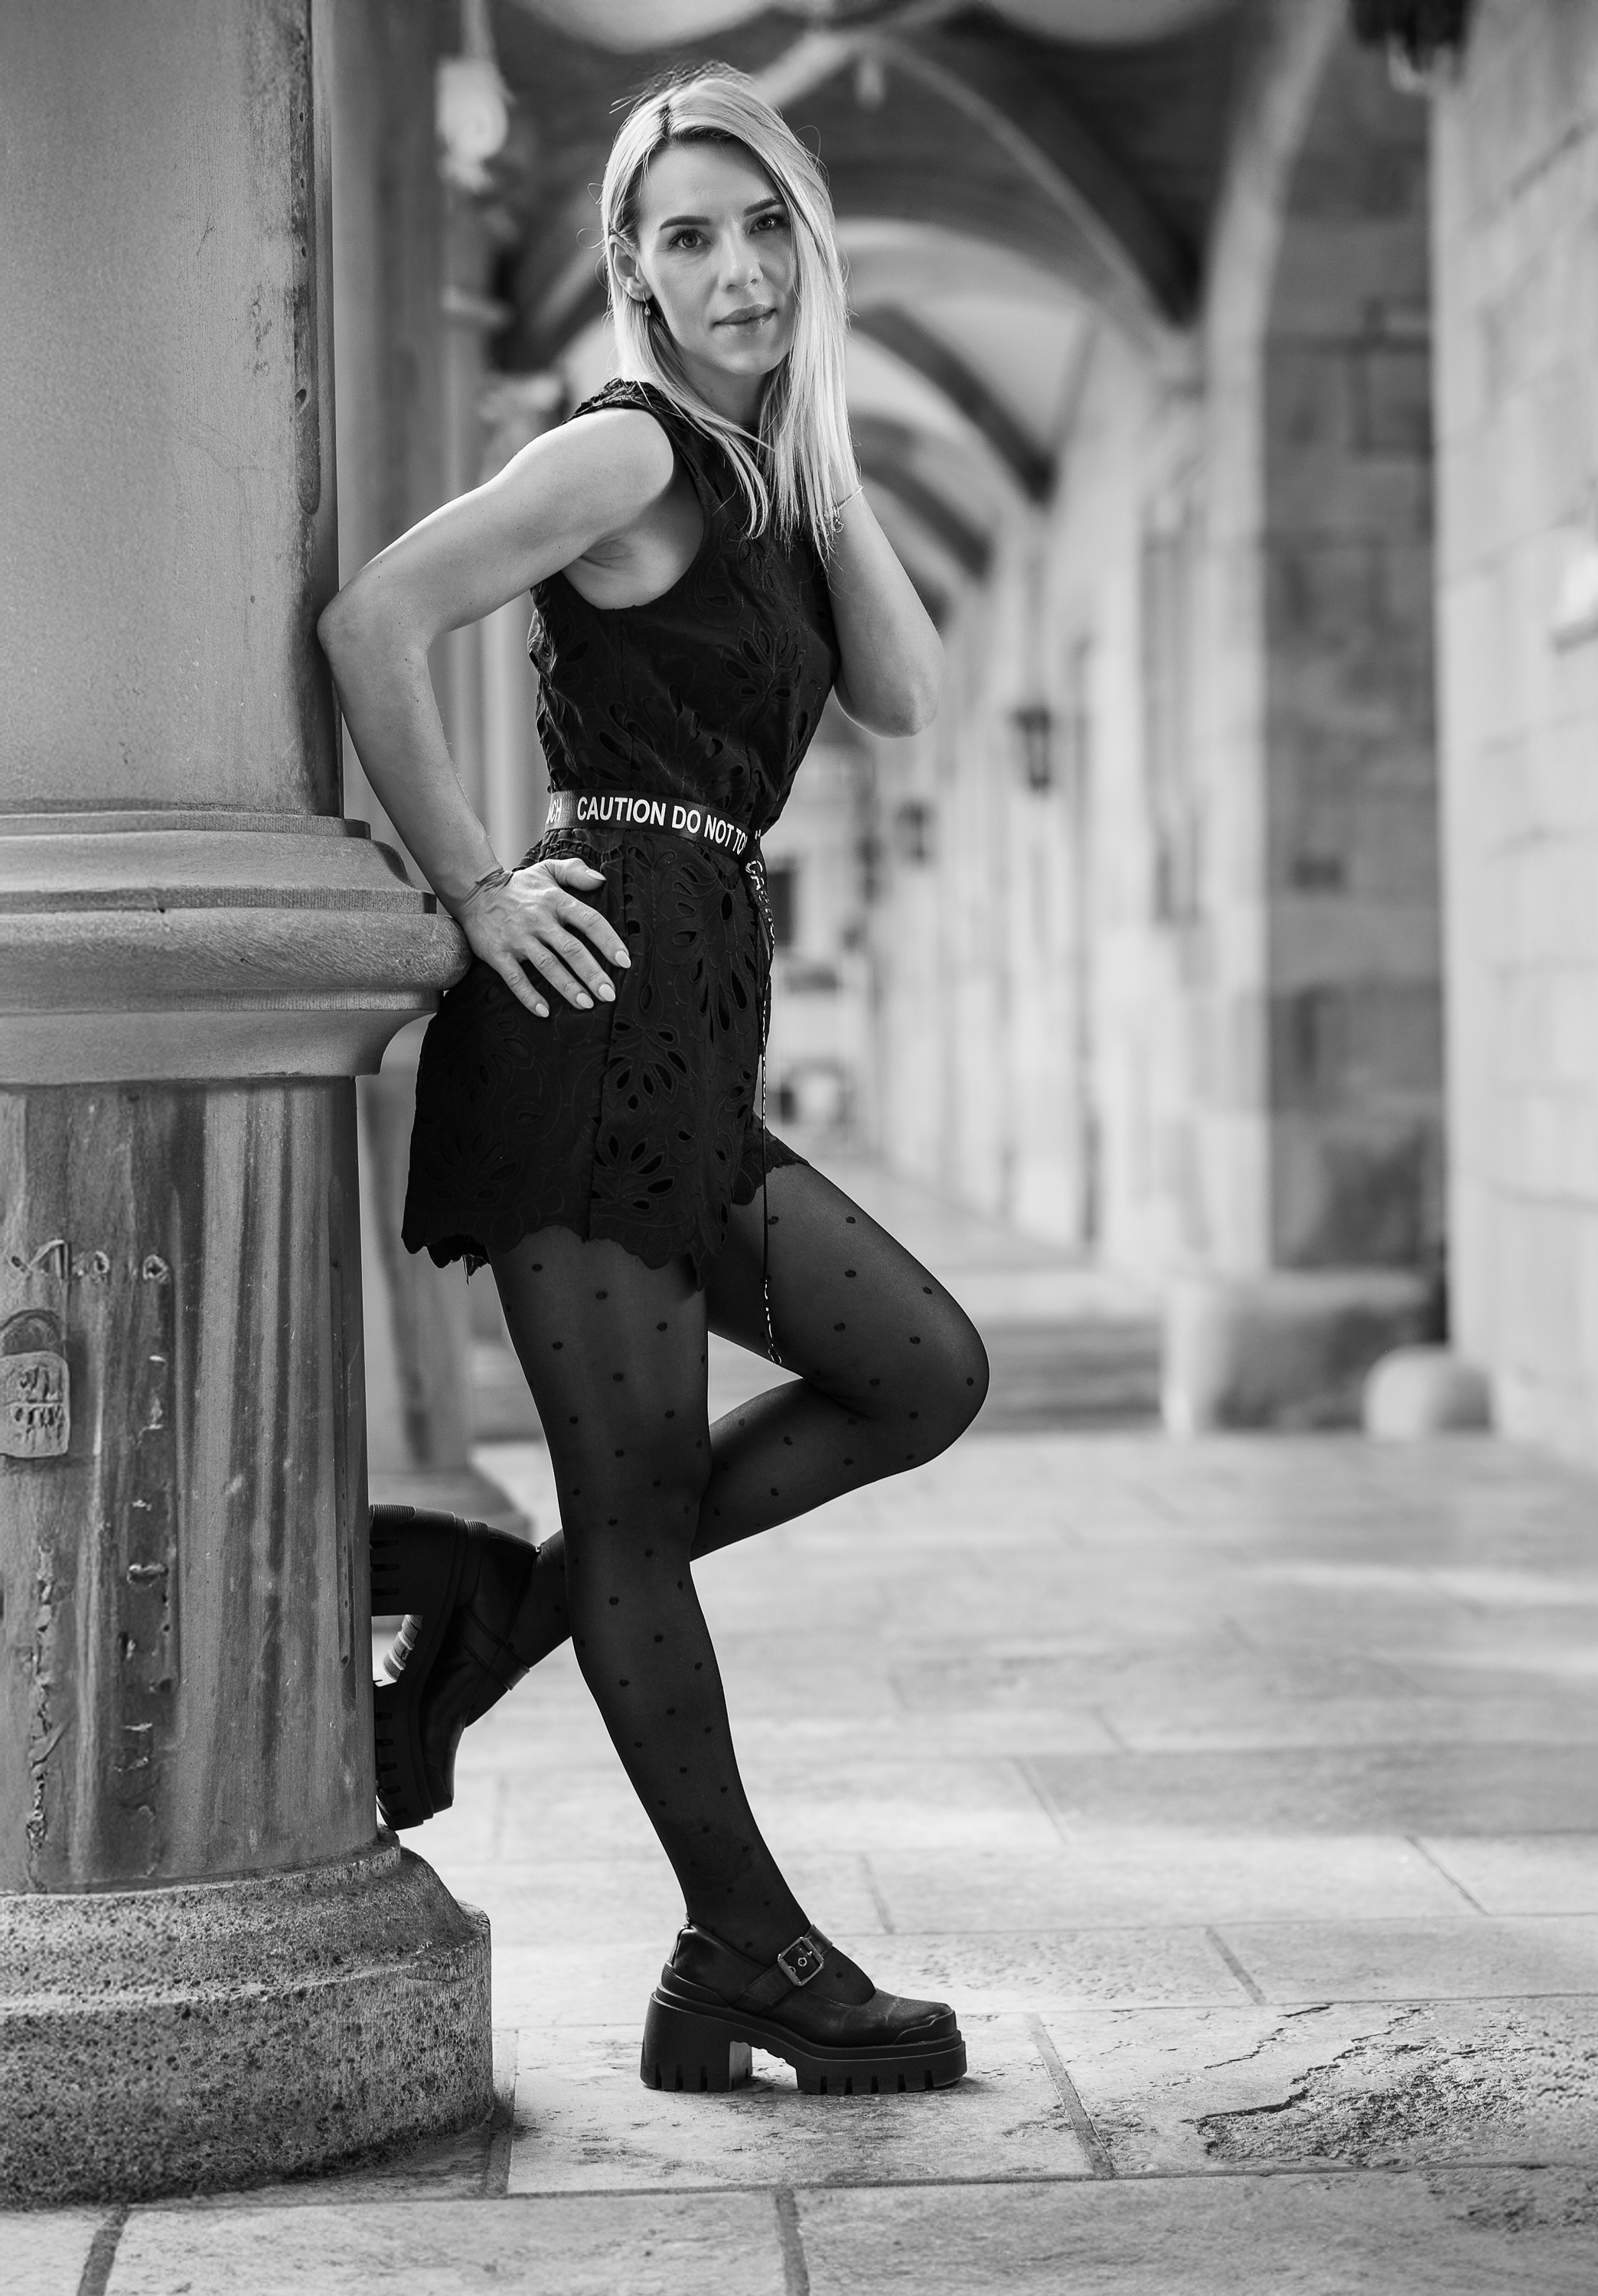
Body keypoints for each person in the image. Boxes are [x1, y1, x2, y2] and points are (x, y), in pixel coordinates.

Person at [321, 66, 987, 2099]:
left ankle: (486, 1624)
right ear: (633, 269)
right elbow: (377, 618)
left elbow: (907, 694)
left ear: (812, 245)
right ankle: (743, 1951)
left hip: (693, 1030)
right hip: (587, 1010)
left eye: (767, 226)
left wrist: (825, 438)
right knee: (642, 1499)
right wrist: (476, 885)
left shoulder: (767, 483)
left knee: (921, 1371)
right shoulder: (621, 450)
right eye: (689, 237)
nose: (738, 269)